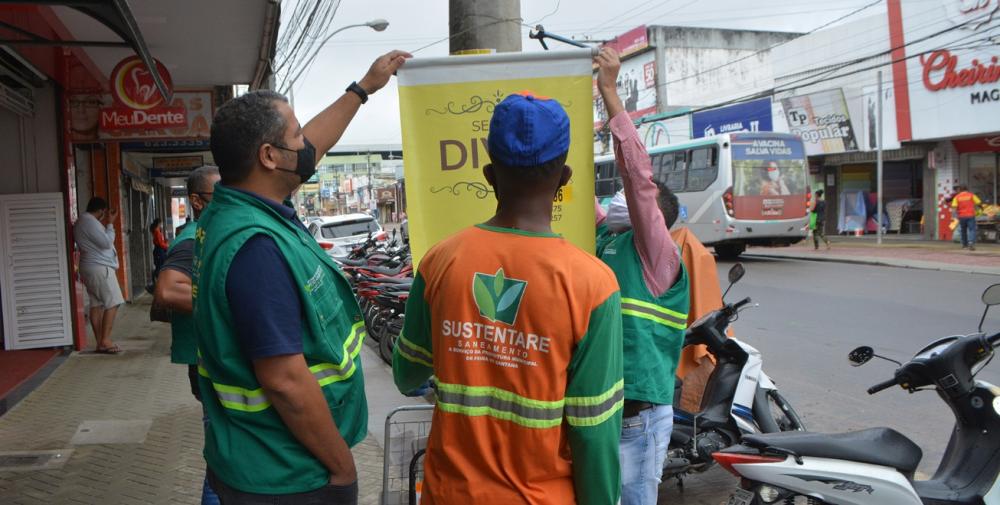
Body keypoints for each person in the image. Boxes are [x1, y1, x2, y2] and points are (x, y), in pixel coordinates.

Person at [192, 49, 409, 504]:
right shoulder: (256, 247)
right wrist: (341, 465)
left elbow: (313, 146)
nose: (306, 144)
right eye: (296, 136)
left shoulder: (237, 208)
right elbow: (285, 381)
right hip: (286, 469)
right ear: (270, 157)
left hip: (261, 457)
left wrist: (363, 89)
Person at [393, 91, 625, 504]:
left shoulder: (440, 262)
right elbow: (594, 430)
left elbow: (407, 374)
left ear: (488, 174)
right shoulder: (593, 284)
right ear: (565, 179)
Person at [593, 47, 690, 505]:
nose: (617, 200)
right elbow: (566, 195)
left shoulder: (655, 255)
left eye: (626, 201)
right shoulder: (605, 242)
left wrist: (610, 93)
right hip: (597, 412)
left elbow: (637, 179)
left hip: (637, 417)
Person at [153, 165, 221, 505]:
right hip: (208, 361)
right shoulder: (194, 238)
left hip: (208, 358)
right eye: (218, 196)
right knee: (224, 457)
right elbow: (166, 291)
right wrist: (230, 303)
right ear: (196, 201)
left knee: (226, 453)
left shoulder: (208, 232)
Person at [74, 197, 124, 354]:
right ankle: (105, 340)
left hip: (90, 266)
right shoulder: (89, 221)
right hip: (100, 268)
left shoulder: (83, 222)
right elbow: (106, 243)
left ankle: (100, 342)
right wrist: (110, 224)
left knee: (97, 304)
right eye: (105, 212)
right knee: (114, 301)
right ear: (102, 211)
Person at [951, 185, 982, 251]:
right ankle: (971, 242)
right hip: (970, 215)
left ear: (960, 190)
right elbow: (979, 202)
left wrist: (954, 216)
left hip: (961, 216)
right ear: (967, 189)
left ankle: (964, 245)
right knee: (972, 229)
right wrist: (981, 207)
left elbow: (954, 207)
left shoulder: (957, 197)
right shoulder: (971, 195)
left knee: (963, 231)